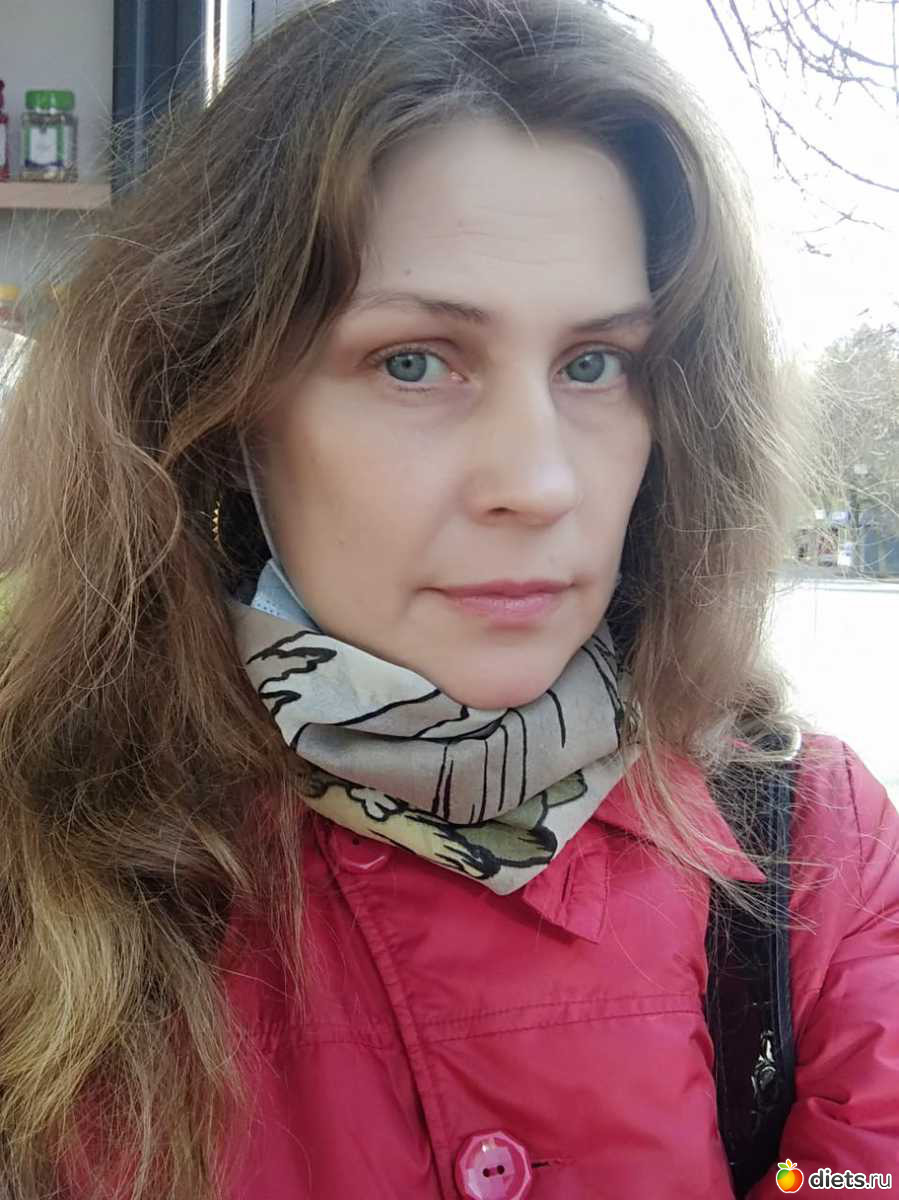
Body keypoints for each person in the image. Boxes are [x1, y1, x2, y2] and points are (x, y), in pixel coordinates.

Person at [0, 0, 896, 1197]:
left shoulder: (810, 846)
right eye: (413, 361)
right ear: (229, 412)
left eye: (594, 365)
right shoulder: (40, 850)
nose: (537, 483)